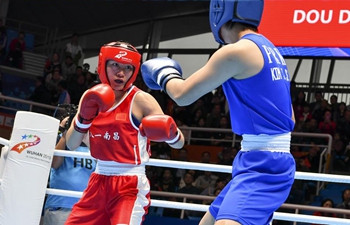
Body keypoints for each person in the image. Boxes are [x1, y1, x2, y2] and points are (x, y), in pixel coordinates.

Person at [140, 0, 296, 224]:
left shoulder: (235, 52)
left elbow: (182, 95)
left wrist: (164, 75)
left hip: (264, 163)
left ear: (219, 11)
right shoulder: (272, 51)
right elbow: (290, 116)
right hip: (260, 158)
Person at [64, 41, 185, 225]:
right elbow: (72, 144)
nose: (121, 73)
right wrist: (83, 119)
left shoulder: (141, 100)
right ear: (103, 65)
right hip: (98, 180)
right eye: (115, 65)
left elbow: (180, 143)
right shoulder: (90, 97)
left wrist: (171, 133)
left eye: (128, 68)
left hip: (129, 185)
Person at [43, 116, 96, 225]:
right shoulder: (59, 141)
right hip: (60, 207)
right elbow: (54, 163)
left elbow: (103, 168)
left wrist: (88, 139)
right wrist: (65, 134)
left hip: (87, 209)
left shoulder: (94, 146)